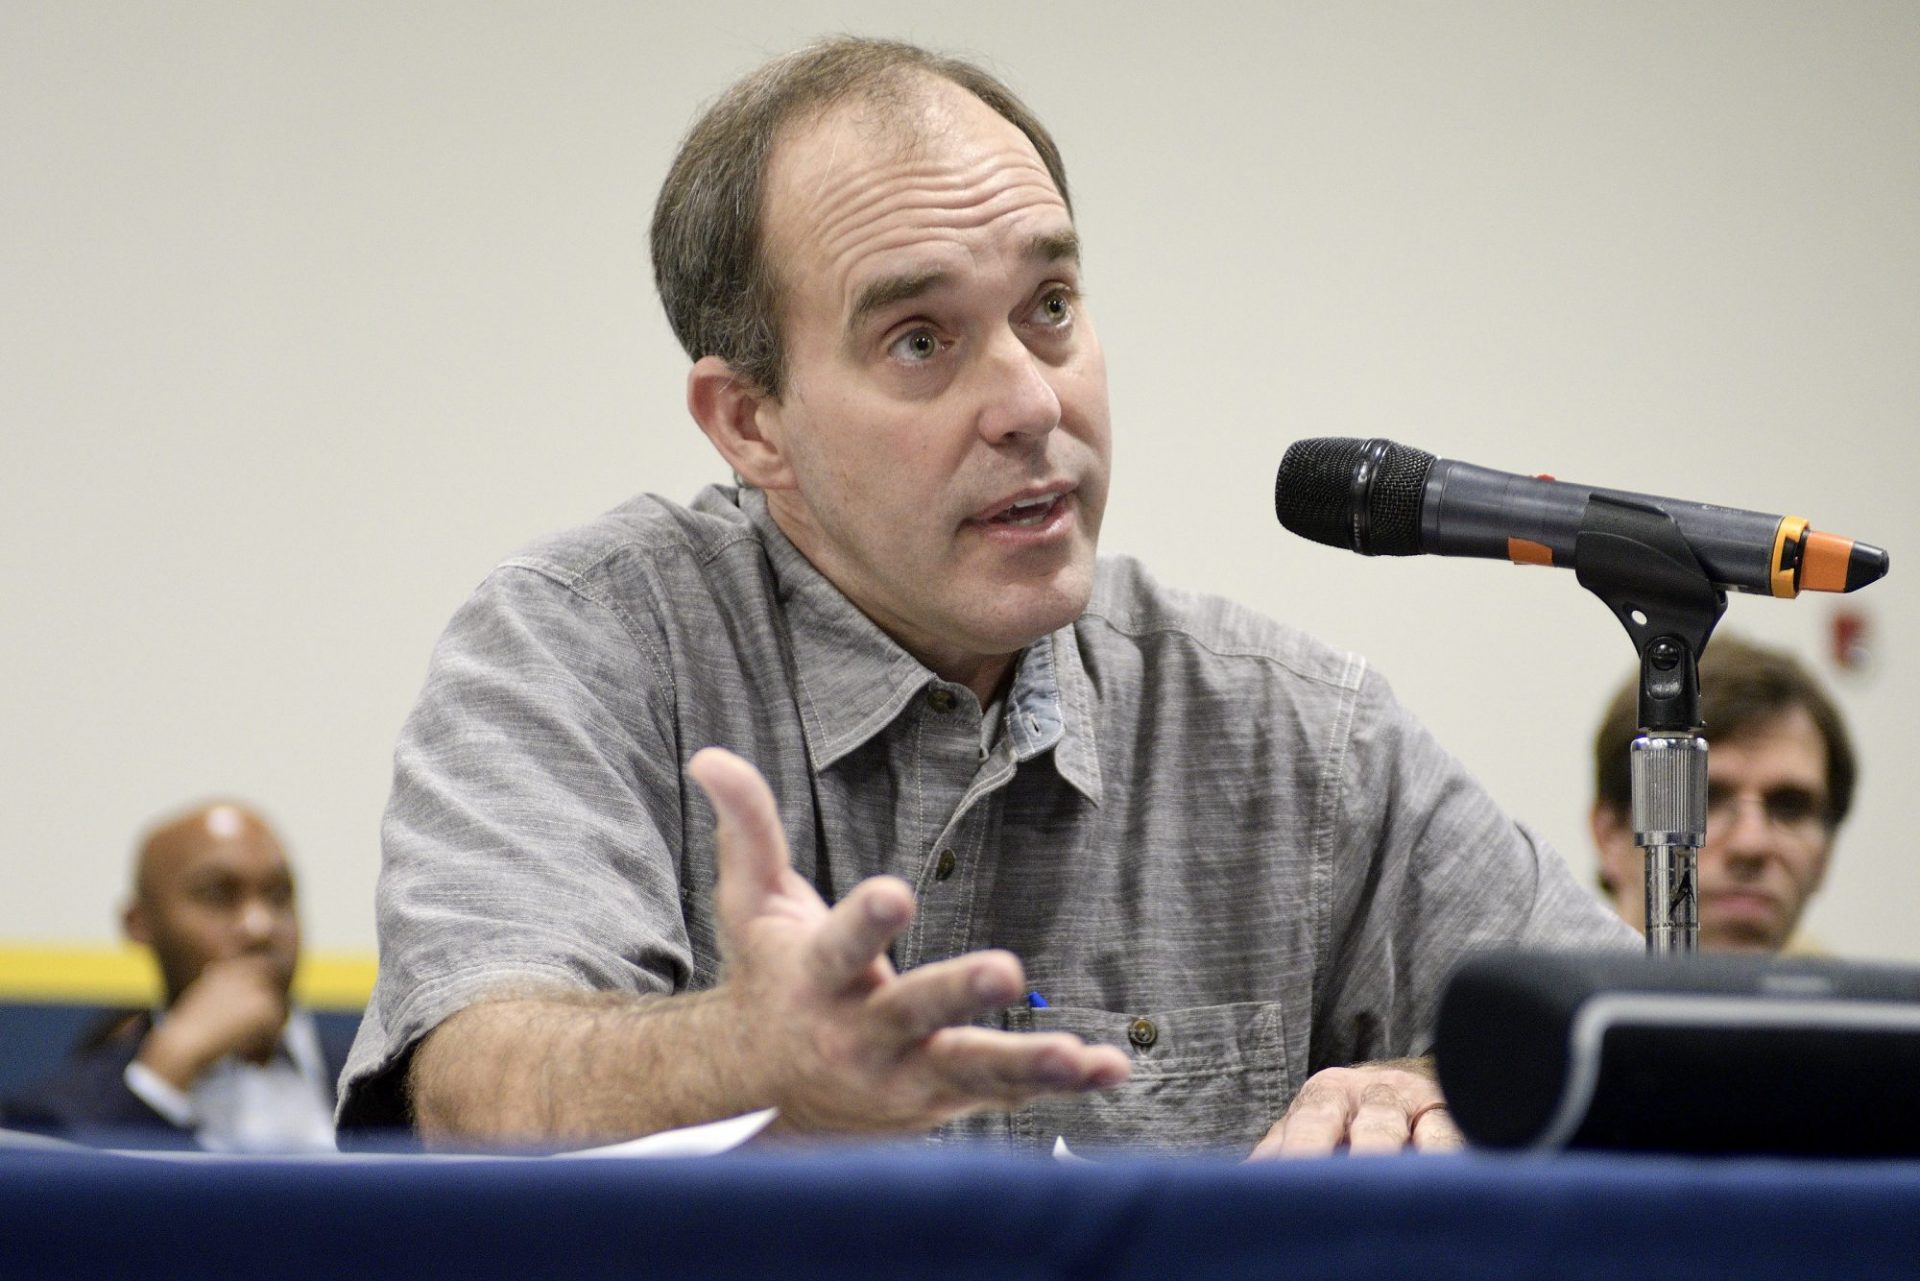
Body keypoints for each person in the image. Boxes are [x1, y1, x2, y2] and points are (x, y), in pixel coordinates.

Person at [337, 36, 1633, 1156]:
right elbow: (470, 1083)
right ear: (752, 422)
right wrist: (748, 1054)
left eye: (1051, 306)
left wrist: (1422, 1086)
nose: (1029, 401)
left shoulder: (1287, 730)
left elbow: (1630, 1037)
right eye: (921, 340)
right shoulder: (584, 648)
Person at [1, 802, 351, 1150]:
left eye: (278, 896)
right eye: (218, 895)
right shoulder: (51, 1116)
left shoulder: (377, 1086)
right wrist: (164, 1075)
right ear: (139, 923)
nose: (260, 926)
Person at [1590, 634, 1857, 953]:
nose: (1750, 843)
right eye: (1701, 802)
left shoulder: (1865, 1003)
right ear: (1609, 836)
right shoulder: (1533, 999)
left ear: (1825, 855)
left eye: (1789, 807)